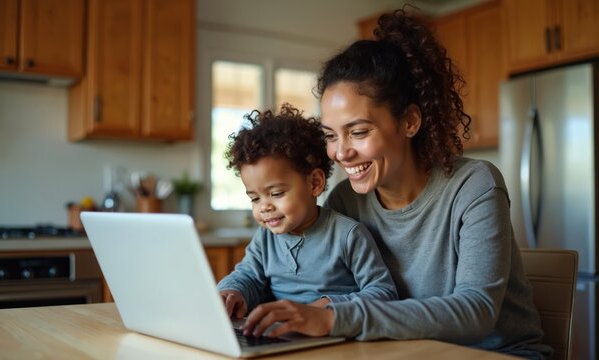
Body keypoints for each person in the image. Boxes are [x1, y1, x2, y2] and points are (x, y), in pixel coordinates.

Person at [239, 8, 551, 359]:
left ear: (410, 122)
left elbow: (475, 312)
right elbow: (321, 288)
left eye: (358, 132)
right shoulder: (345, 201)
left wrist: (331, 318)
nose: (341, 153)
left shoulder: (474, 186)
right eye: (331, 135)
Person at [216, 103, 398, 320]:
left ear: (314, 183)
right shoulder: (266, 238)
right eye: (255, 198)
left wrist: (327, 306)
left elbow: (384, 293)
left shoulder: (348, 235)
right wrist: (231, 292)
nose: (264, 206)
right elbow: (248, 277)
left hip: (335, 339)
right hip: (278, 335)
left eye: (276, 193)